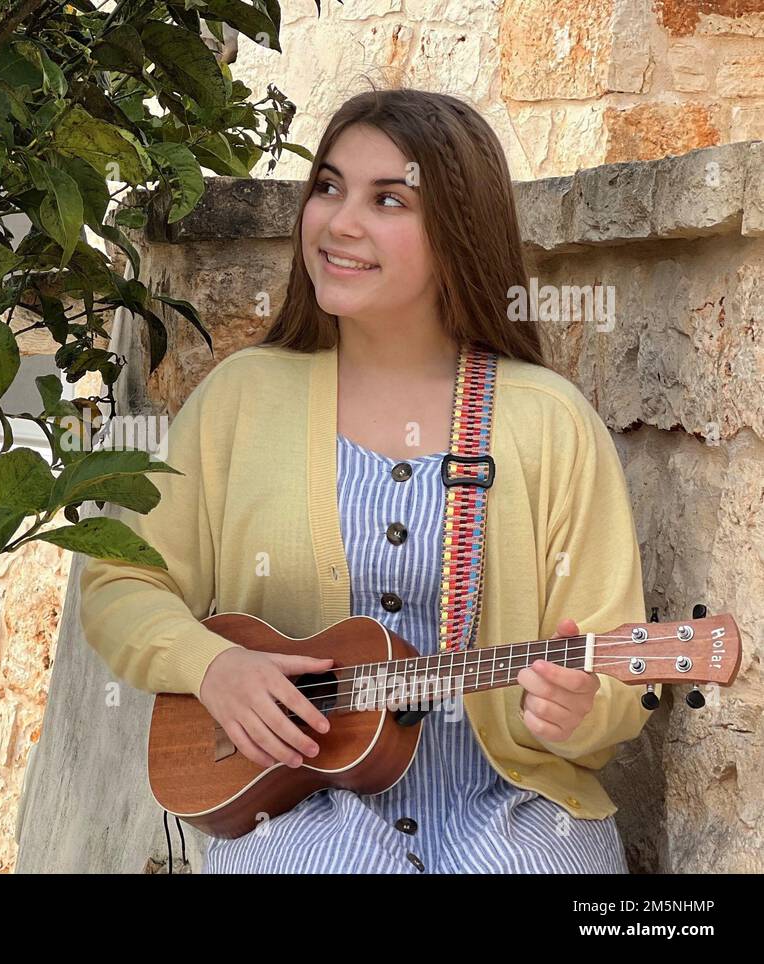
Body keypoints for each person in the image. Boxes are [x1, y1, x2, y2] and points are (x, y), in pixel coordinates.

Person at [79, 87, 657, 873]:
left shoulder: (550, 422)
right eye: (328, 186)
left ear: (459, 232)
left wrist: (581, 712)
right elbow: (122, 581)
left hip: (516, 813)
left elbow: (616, 671)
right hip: (295, 813)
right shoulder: (243, 398)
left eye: (389, 199)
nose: (340, 222)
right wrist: (210, 666)